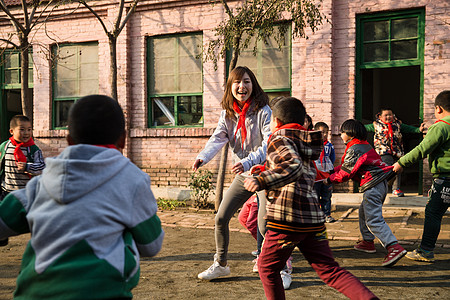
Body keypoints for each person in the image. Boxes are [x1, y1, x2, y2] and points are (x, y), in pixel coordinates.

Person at [0, 95, 164, 299]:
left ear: (69, 141)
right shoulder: (132, 181)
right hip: (102, 292)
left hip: (34, 293)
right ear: (122, 139)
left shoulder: (39, 185)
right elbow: (151, 245)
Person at [244, 97, 379, 300]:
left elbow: (292, 166)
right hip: (313, 219)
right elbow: (297, 167)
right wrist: (265, 169)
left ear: (277, 122)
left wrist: (262, 179)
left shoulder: (279, 137)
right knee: (330, 271)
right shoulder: (305, 141)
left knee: (266, 268)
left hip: (287, 219)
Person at [194, 66, 271, 280]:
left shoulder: (263, 110)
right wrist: (203, 157)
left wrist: (247, 163)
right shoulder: (228, 114)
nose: (242, 86)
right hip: (244, 175)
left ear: (253, 84)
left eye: (246, 81)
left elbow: (268, 144)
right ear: (230, 87)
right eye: (237, 82)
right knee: (220, 217)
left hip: (264, 174)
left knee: (264, 224)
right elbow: (218, 137)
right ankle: (221, 264)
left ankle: (278, 266)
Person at [324, 119, 406, 267]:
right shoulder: (361, 146)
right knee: (364, 211)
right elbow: (346, 166)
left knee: (373, 219)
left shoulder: (355, 148)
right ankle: (367, 242)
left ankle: (393, 247)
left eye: (342, 132)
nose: (340, 134)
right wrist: (331, 171)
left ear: (350, 133)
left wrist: (328, 180)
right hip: (378, 184)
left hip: (373, 186)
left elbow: (346, 172)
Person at [393, 90, 450, 263]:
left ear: (438, 108)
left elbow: (421, 150)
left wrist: (401, 163)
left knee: (433, 212)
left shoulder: (440, 127)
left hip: (445, 179)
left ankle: (425, 250)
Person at [0, 115, 45, 246]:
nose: (26, 133)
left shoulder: (34, 149)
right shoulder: (4, 147)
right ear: (12, 131)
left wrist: (28, 166)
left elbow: (42, 166)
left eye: (29, 129)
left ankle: (36, 242)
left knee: (33, 220)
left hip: (26, 194)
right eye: (22, 129)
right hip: (7, 191)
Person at [365, 109, 426, 197]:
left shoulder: (397, 124)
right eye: (386, 115)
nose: (388, 117)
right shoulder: (376, 125)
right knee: (386, 167)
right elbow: (364, 128)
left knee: (397, 169)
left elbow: (409, 129)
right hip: (383, 151)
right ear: (380, 117)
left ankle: (396, 189)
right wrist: (354, 128)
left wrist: (418, 130)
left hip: (397, 151)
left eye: (390, 115)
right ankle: (380, 187)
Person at [313, 122, 336, 223]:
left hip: (326, 176)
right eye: (322, 132)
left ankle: (327, 214)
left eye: (326, 132)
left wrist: (330, 171)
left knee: (327, 196)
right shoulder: (312, 145)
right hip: (316, 176)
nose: (325, 135)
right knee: (315, 196)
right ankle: (317, 215)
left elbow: (333, 158)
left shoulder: (330, 146)